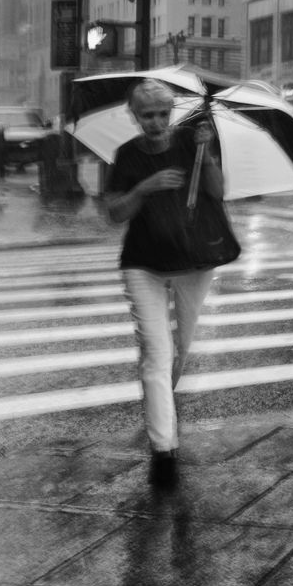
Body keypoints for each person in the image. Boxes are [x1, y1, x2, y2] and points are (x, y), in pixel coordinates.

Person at [104, 80, 226, 489]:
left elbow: (218, 193)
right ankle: (163, 449)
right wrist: (146, 187)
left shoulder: (194, 141)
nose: (156, 122)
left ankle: (163, 407)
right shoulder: (127, 155)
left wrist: (207, 155)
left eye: (162, 113)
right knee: (156, 353)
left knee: (180, 350)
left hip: (193, 260)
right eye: (147, 115)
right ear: (134, 115)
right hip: (143, 264)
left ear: (171, 112)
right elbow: (115, 213)